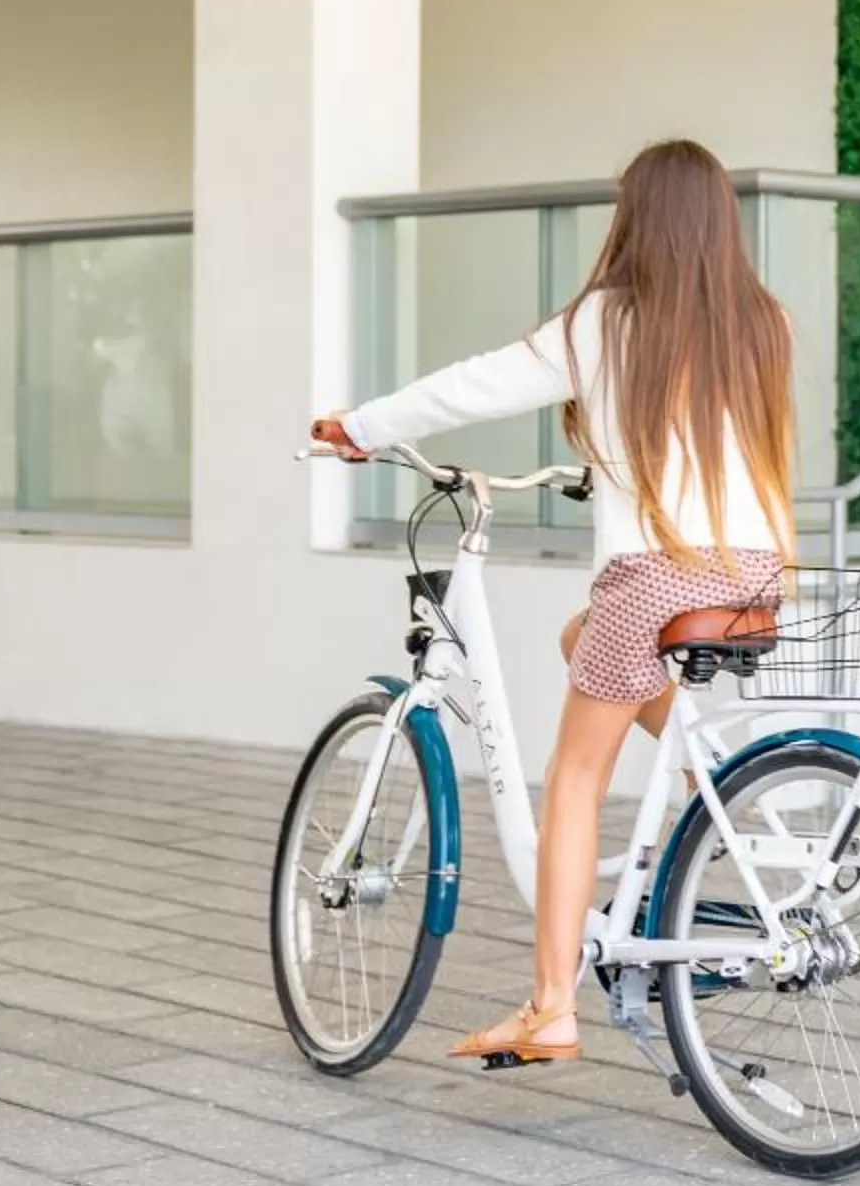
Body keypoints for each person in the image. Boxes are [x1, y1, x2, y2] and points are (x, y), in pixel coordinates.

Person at [312, 140, 794, 1066]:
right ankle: (707, 773)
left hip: (657, 576)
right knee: (585, 638)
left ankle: (550, 1006)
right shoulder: (761, 321)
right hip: (753, 573)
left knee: (573, 778)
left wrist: (362, 427)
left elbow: (477, 384)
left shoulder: (607, 321)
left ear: (637, 219)